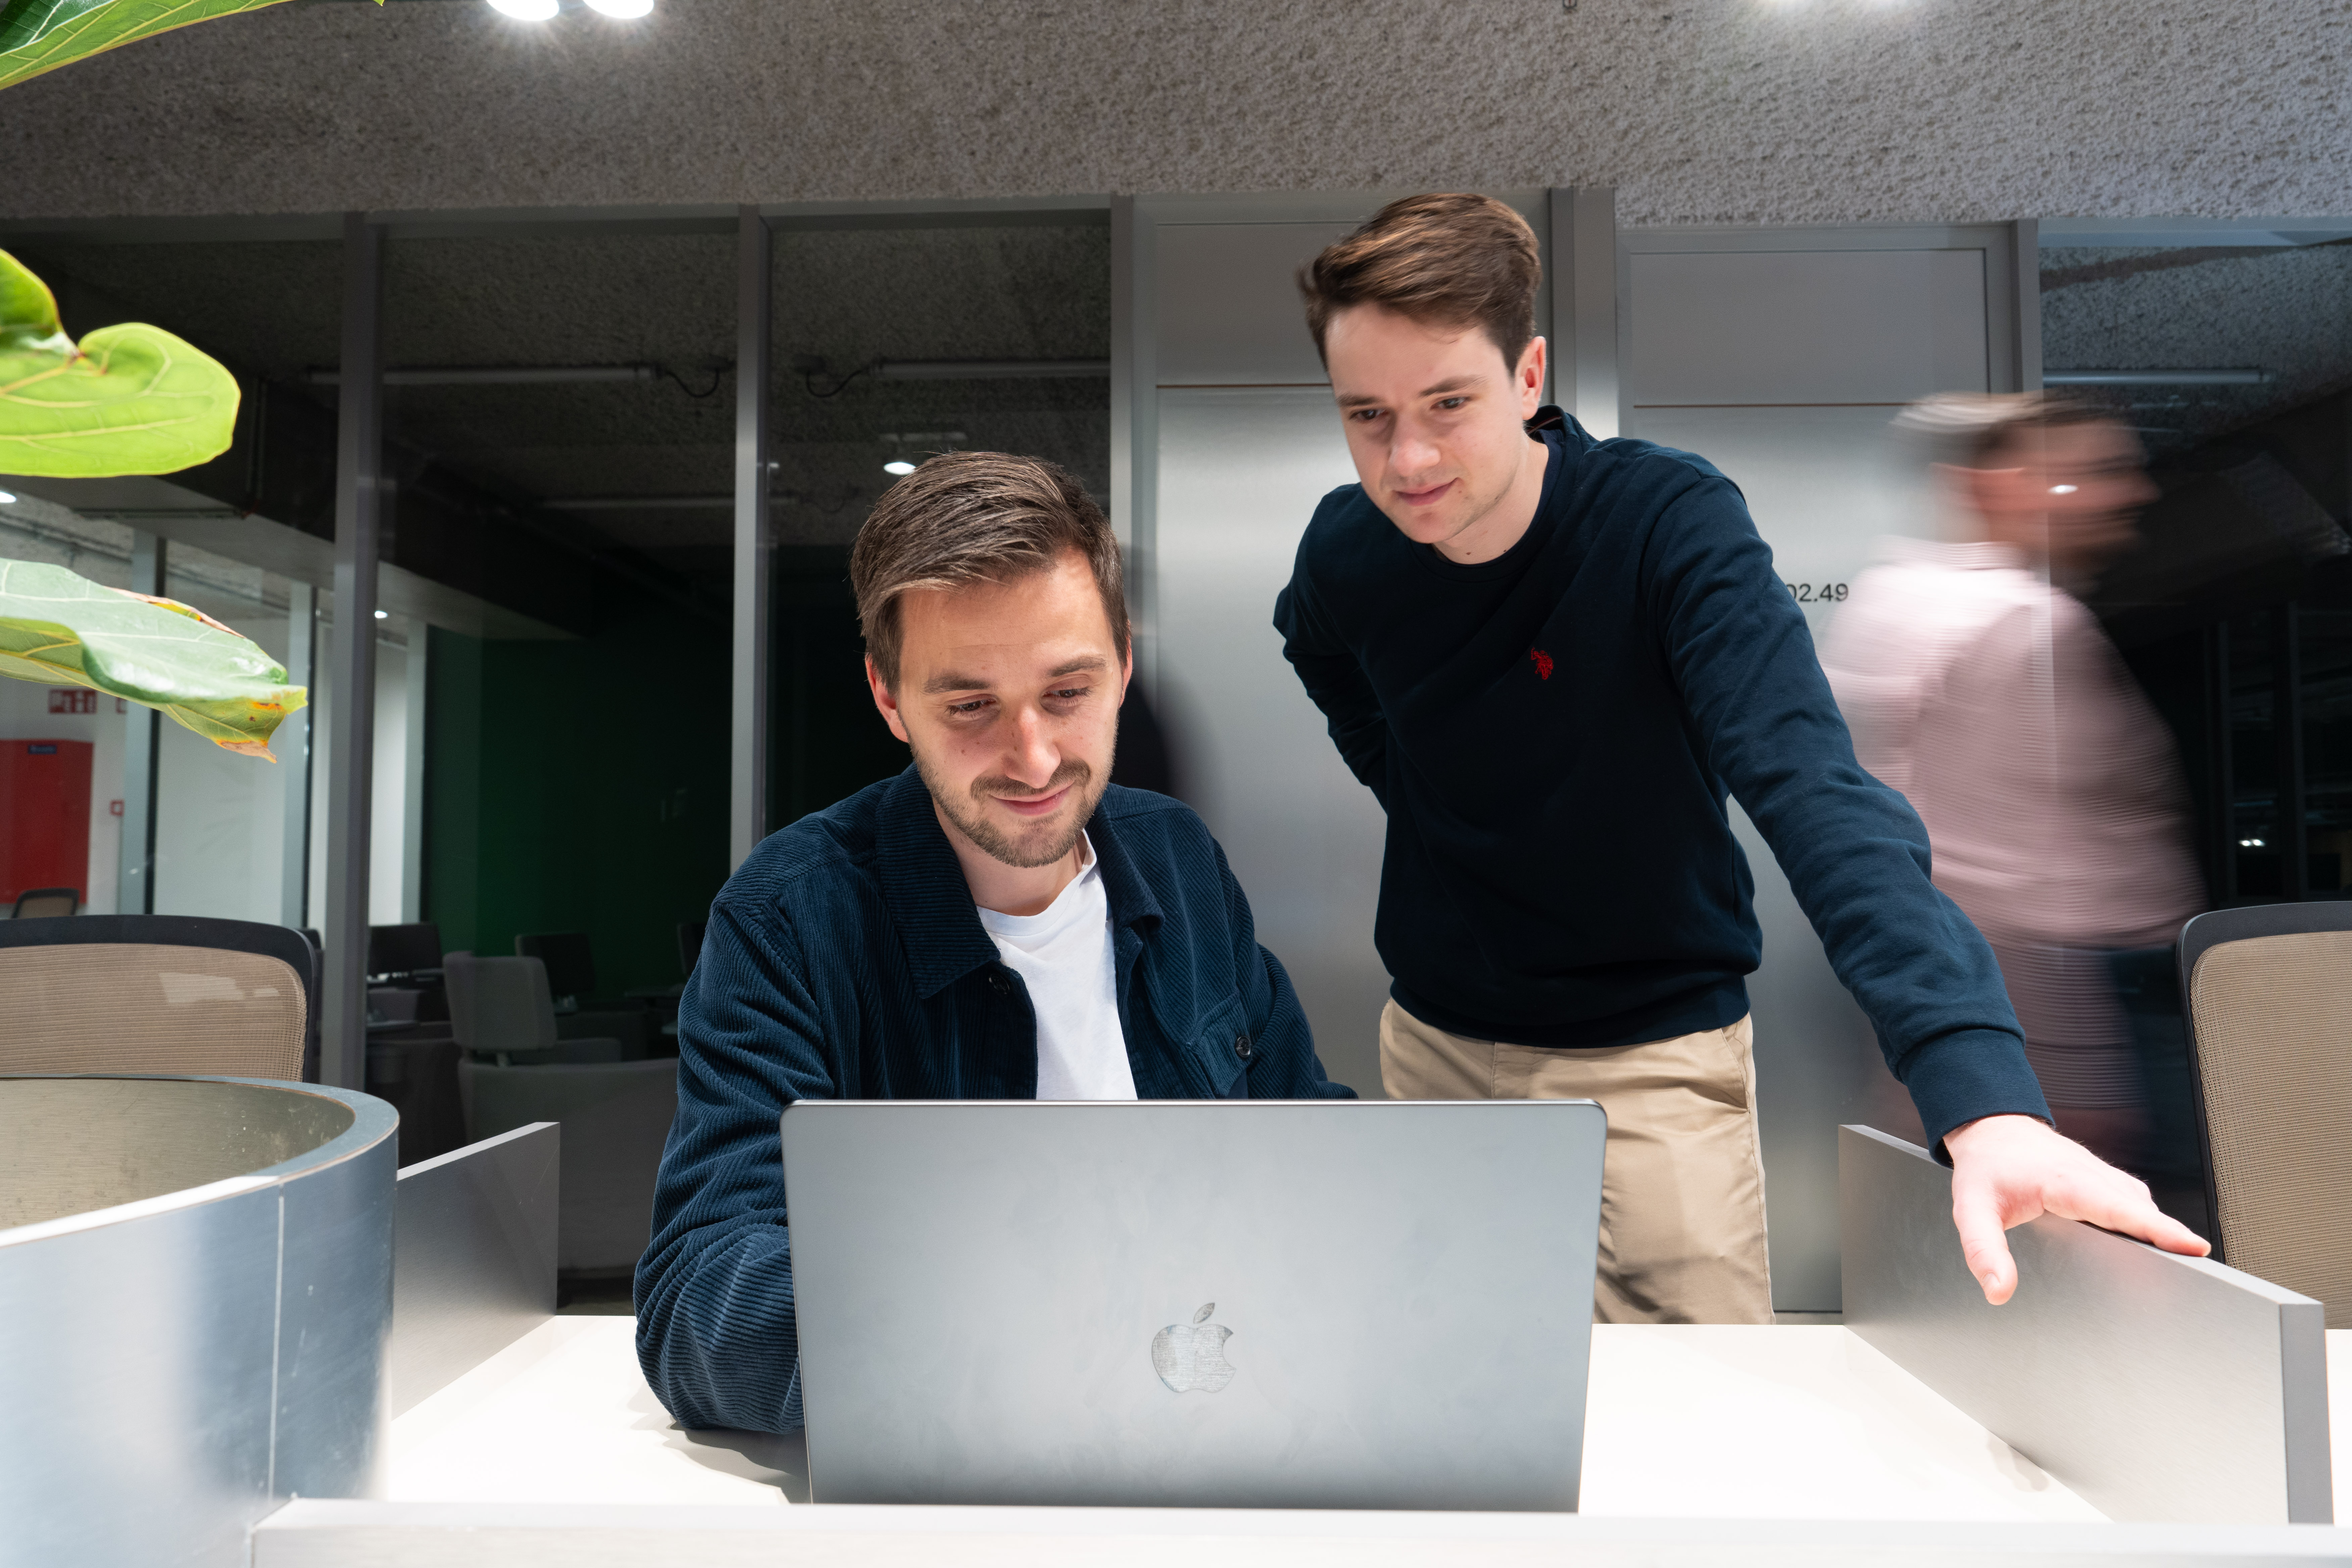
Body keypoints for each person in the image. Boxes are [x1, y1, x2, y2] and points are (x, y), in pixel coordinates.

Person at [1272, 193, 2207, 1322]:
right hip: (1433, 1040)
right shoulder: (1347, 549)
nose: (1404, 457)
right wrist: (1411, 788)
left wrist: (1978, 1090)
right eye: (1364, 415)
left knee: (1697, 1421)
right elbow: (1311, 644)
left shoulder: (1663, 523)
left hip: (1651, 1056)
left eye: (1445, 404)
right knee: (1464, 1382)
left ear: (1527, 378)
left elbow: (1812, 788)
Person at [636, 451, 1352, 1433]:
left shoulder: (1179, 861)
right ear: (889, 699)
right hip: (962, 1460)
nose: (1036, 757)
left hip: (1211, 1424)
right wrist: (1023, 1345)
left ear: (1125, 664)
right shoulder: (786, 924)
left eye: (1068, 692)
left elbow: (1308, 1149)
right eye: (970, 706)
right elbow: (703, 1295)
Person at [1819, 393, 2206, 1176]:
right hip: (2068, 996)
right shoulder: (2025, 625)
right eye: (2093, 473)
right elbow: (2017, 878)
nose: (2132, 492)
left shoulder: (1899, 598)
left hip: (1974, 985)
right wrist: (2053, 1072)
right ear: (1995, 484)